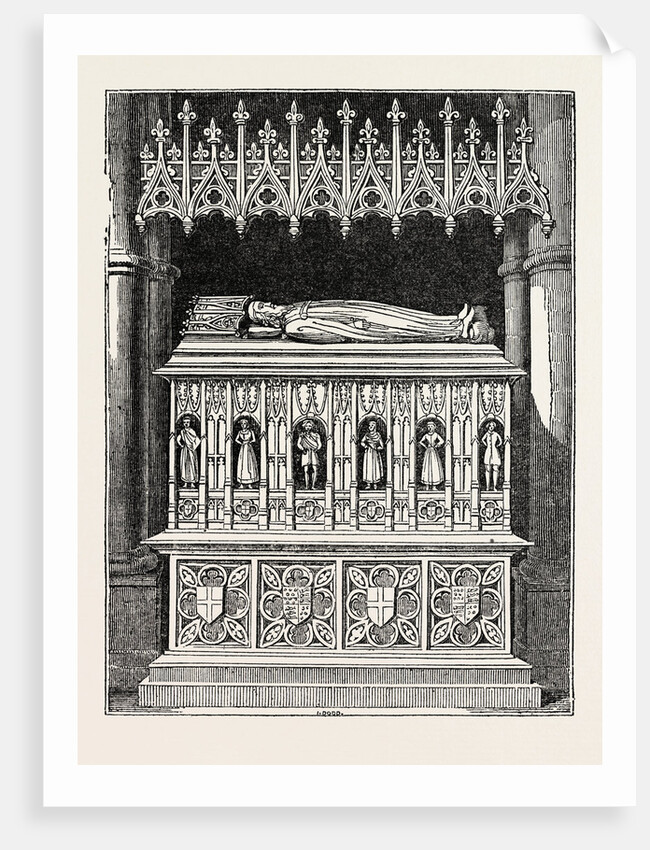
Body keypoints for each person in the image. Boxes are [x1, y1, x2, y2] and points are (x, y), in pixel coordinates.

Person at [240, 298, 494, 344]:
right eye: (264, 308)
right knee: (405, 328)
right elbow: (330, 332)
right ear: (265, 319)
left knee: (404, 315)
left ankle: (451, 321)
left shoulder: (292, 309)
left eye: (265, 303)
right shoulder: (293, 324)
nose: (270, 305)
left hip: (357, 310)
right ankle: (456, 330)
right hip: (359, 324)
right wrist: (355, 328)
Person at [296, 420, 322, 490]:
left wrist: (316, 449)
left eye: (310, 426)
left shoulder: (316, 435)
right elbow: (298, 444)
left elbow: (319, 444)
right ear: (304, 426)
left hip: (313, 452)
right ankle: (307, 486)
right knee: (306, 470)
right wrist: (302, 449)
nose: (308, 427)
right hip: (305, 452)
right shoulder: (302, 435)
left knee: (315, 469)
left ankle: (313, 485)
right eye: (307, 426)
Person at [419, 420, 445, 489]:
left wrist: (437, 445)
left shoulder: (436, 434)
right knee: (427, 466)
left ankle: (434, 486)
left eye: (431, 426)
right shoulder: (426, 435)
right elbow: (421, 441)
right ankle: (427, 485)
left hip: (433, 451)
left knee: (434, 466)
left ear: (434, 427)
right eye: (429, 427)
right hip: (428, 451)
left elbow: (442, 441)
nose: (430, 428)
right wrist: (425, 446)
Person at [235, 418, 259, 488]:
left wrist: (249, 442)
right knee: (242, 465)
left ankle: (249, 483)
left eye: (244, 424)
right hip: (243, 448)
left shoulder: (250, 431)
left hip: (248, 448)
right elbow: (236, 439)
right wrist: (241, 443)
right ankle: (242, 483)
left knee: (249, 465)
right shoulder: (240, 432)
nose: (243, 425)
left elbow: (254, 439)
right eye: (242, 424)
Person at [177, 415, 200, 486]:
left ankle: (192, 482)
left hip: (191, 451)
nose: (186, 424)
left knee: (192, 465)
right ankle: (186, 482)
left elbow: (197, 440)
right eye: (184, 423)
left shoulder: (192, 431)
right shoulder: (182, 431)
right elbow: (178, 439)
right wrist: (181, 445)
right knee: (185, 466)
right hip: (185, 450)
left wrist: (193, 447)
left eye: (187, 422)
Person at [360, 420, 384, 489]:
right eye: (369, 425)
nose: (370, 427)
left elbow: (382, 446)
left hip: (375, 453)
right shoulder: (367, 435)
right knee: (369, 467)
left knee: (375, 467)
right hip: (368, 453)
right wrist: (366, 446)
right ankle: (368, 483)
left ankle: (375, 483)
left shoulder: (377, 435)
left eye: (372, 425)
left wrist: (376, 448)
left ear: (375, 426)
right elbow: (362, 442)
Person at [481, 420, 502, 490]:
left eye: (492, 426)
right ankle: (487, 486)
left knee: (495, 469)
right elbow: (483, 440)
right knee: (487, 469)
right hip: (488, 452)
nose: (491, 427)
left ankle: (495, 487)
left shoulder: (496, 434)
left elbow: (500, 441)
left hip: (495, 452)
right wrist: (486, 445)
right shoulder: (486, 434)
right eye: (490, 426)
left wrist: (497, 445)